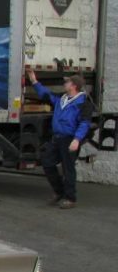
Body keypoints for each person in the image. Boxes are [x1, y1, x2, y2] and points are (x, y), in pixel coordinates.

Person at [27, 69, 94, 209]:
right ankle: (59, 191)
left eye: (67, 82)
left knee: (68, 168)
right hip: (57, 138)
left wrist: (77, 140)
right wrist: (34, 81)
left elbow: (84, 123)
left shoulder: (83, 103)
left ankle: (70, 198)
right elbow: (45, 94)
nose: (65, 83)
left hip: (70, 139)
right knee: (47, 162)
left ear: (74, 85)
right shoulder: (61, 98)